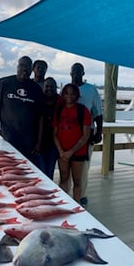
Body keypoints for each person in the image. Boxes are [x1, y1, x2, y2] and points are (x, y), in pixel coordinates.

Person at [0, 56, 44, 166]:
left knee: (27, 172)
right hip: (8, 140)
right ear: (17, 67)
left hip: (29, 143)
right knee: (7, 170)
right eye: (22, 65)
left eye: (28, 67)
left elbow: (41, 118)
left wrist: (39, 143)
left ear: (32, 70)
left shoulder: (36, 89)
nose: (24, 69)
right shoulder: (3, 83)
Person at [70, 62, 103, 207]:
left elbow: (98, 114)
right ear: (70, 73)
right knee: (67, 165)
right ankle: (67, 193)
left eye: (79, 71)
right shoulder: (67, 89)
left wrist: (99, 132)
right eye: (74, 71)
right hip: (68, 134)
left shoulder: (91, 90)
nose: (76, 73)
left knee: (84, 167)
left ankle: (82, 195)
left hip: (86, 134)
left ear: (83, 74)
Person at [53, 83, 91, 203]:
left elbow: (85, 136)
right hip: (62, 151)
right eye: (67, 93)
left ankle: (77, 206)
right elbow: (54, 133)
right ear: (63, 95)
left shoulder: (83, 110)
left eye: (73, 93)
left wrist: (71, 152)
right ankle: (64, 205)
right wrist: (61, 151)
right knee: (63, 179)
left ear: (77, 95)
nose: (69, 96)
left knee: (77, 181)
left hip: (78, 152)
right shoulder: (58, 109)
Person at [37, 77, 62, 179]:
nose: (49, 89)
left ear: (56, 88)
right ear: (43, 87)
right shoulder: (38, 100)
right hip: (39, 143)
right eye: (47, 86)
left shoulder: (61, 102)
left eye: (52, 86)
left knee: (50, 171)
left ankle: (49, 193)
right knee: (40, 171)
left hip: (54, 143)